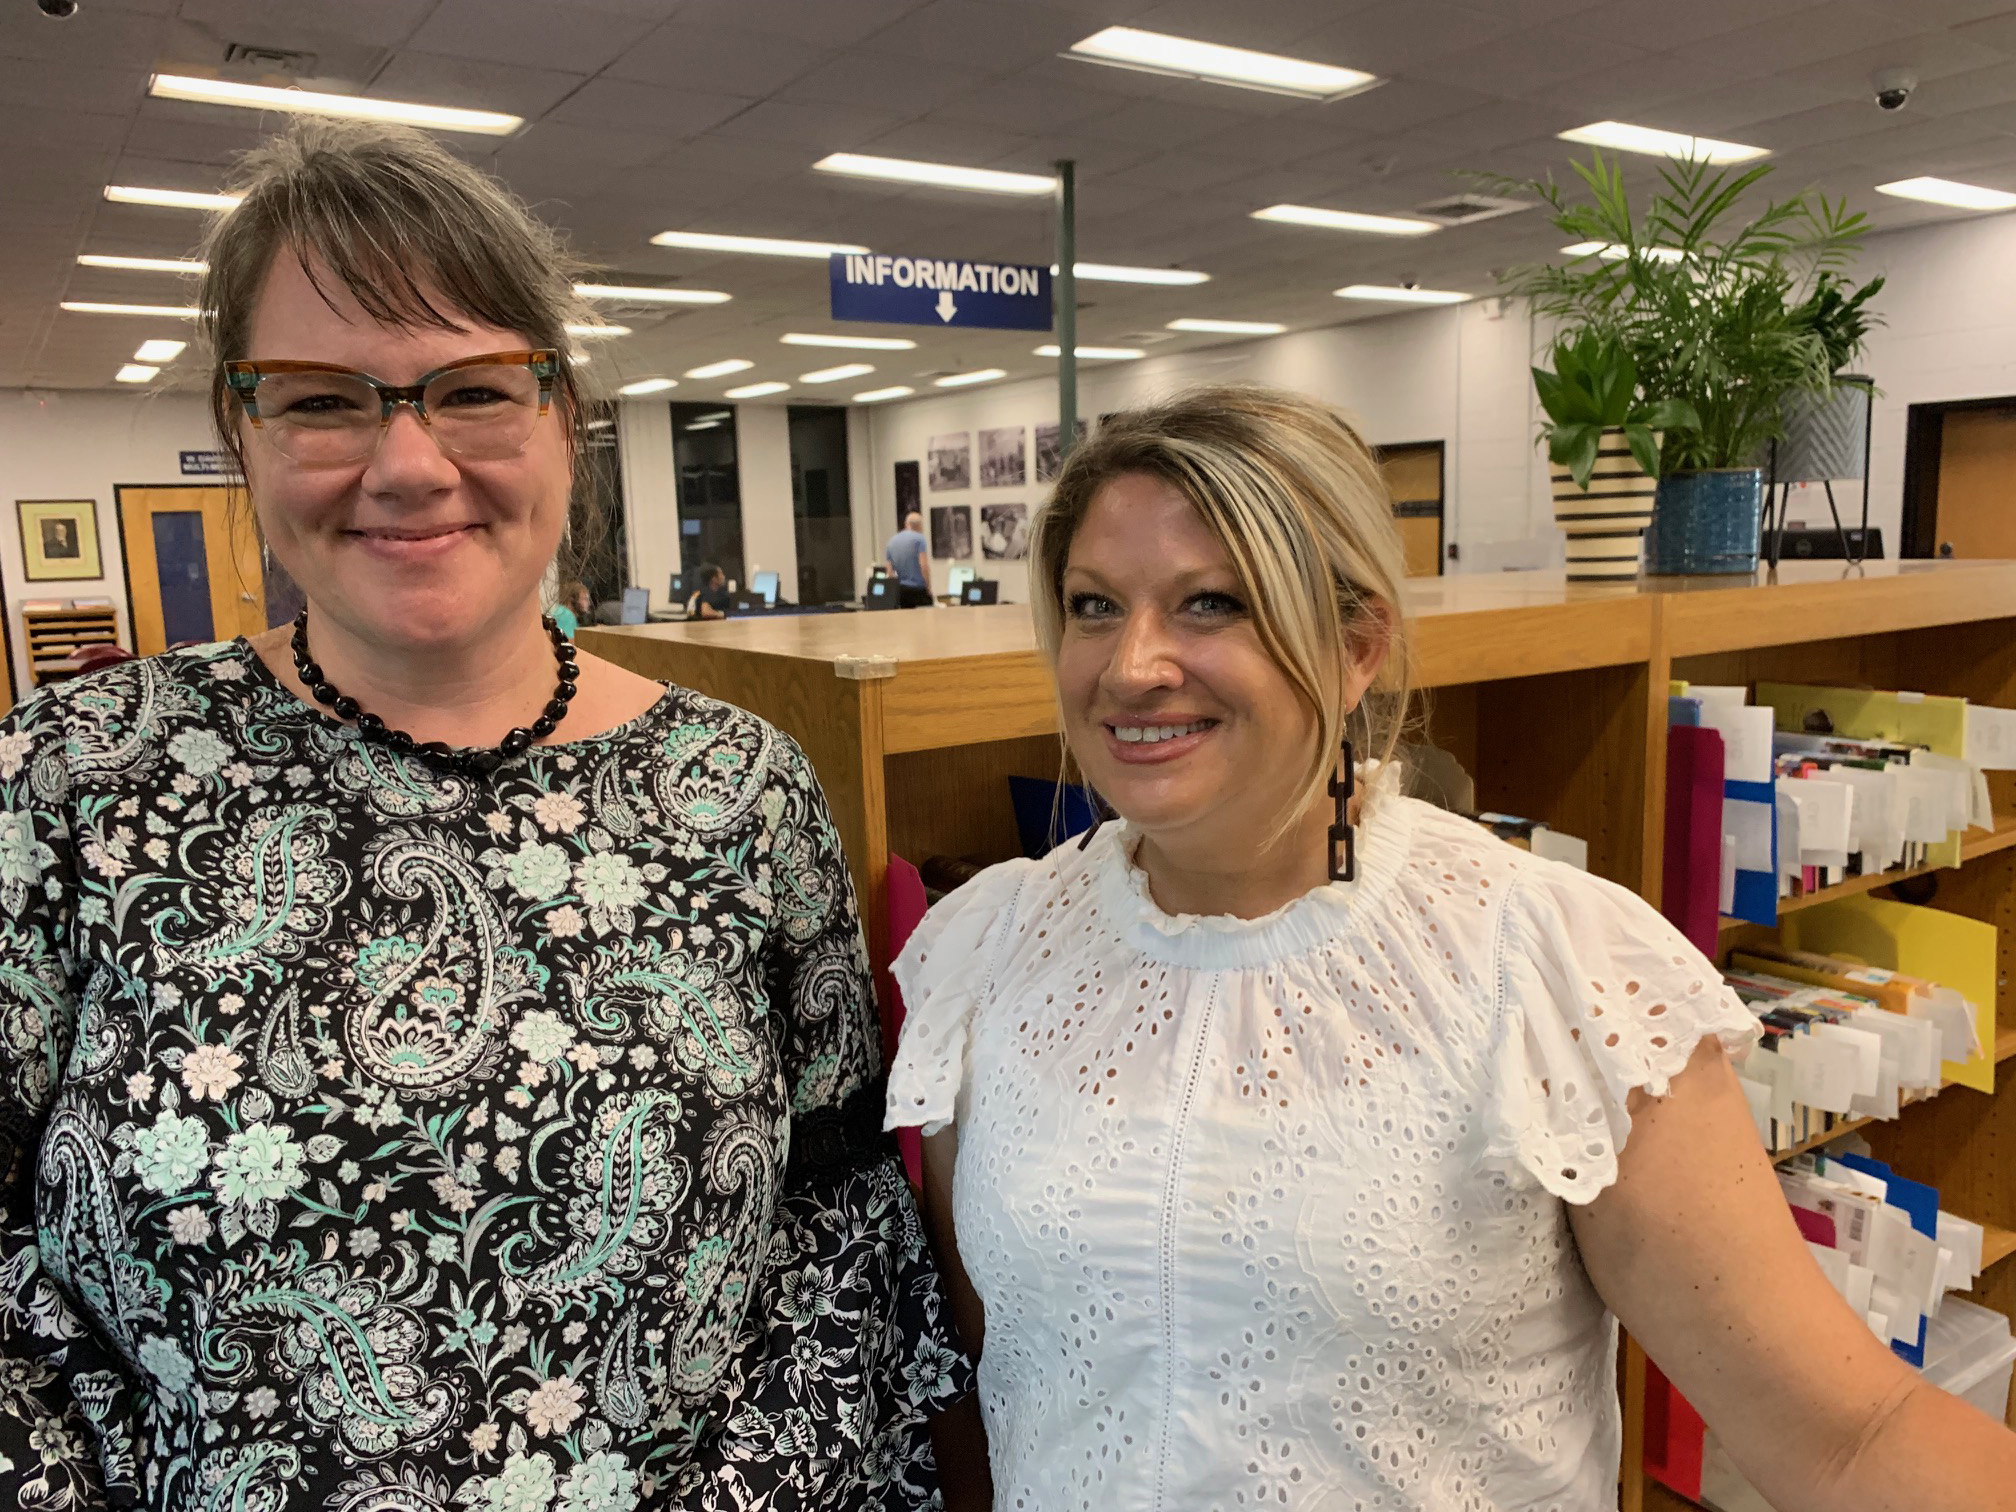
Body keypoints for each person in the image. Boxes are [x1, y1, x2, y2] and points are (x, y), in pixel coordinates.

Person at [0, 119, 969, 1511]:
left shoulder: (736, 790)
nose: (405, 462)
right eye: (324, 397)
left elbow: (838, 1224)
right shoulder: (72, 782)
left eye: (473, 391)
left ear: (565, 419)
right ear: (242, 431)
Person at [885, 384, 2016, 1510]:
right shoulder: (986, 951)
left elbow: (1849, 1438)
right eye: (1092, 605)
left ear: (1357, 646)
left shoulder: (1553, 969)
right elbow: (1004, 1382)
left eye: (1212, 604)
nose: (1130, 667)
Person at [885, 513, 932, 608]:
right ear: (919, 525)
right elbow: (923, 566)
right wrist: (928, 587)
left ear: (906, 524)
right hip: (918, 590)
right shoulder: (919, 539)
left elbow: (889, 572)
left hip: (900, 591)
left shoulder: (891, 541)